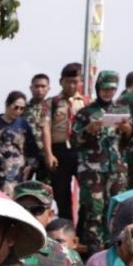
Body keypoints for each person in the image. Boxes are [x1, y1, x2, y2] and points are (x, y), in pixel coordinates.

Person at [73, 70, 133, 255]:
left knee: (115, 209)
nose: (108, 93)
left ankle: (114, 250)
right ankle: (93, 251)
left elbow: (131, 140)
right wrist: (89, 129)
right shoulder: (85, 112)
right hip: (93, 169)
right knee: (94, 209)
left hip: (116, 168)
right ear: (99, 87)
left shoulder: (122, 110)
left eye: (112, 89)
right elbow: (75, 140)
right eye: (105, 88)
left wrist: (127, 129)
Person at [13, 181, 82, 266]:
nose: (29, 214)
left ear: (50, 215)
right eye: (22, 208)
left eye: (37, 210)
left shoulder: (67, 257)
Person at [41, 63, 90, 221]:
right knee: (62, 194)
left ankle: (82, 232)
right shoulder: (52, 103)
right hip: (59, 151)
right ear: (61, 81)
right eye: (68, 82)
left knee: (87, 193)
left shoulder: (86, 102)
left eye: (75, 81)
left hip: (81, 151)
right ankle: (65, 229)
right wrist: (49, 154)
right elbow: (46, 129)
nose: (72, 85)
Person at [0, 91, 37, 195]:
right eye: (16, 107)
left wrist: (30, 166)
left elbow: (32, 148)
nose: (18, 111)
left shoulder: (24, 125)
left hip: (16, 173)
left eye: (22, 109)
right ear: (7, 104)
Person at [25, 73, 52, 162]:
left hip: (47, 154)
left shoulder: (53, 107)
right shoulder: (22, 109)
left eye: (43, 86)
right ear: (31, 88)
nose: (39, 89)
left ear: (48, 88)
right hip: (27, 154)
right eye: (36, 86)